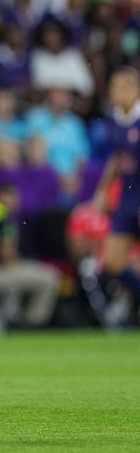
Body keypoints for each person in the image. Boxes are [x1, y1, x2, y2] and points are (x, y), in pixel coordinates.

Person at [90, 67, 140, 323]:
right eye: (113, 88)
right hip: (128, 198)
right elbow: (116, 158)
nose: (116, 93)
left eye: (122, 87)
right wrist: (102, 191)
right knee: (112, 260)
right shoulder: (114, 120)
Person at [0, 185, 60, 331]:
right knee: (50, 278)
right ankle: (29, 324)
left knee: (43, 277)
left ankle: (20, 321)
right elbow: (7, 256)